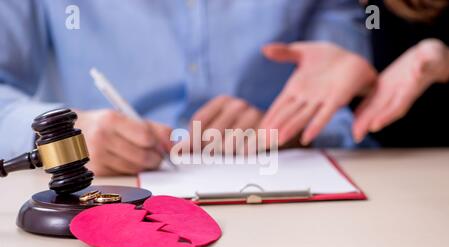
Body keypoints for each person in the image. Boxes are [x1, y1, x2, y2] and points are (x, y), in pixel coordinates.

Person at [0, 0, 370, 175]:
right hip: (106, 196)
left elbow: (351, 108)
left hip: (289, 190)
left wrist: (290, 130)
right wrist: (61, 135)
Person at [261, 0, 449, 148]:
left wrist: (444, 63)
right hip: (394, 158)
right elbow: (389, 79)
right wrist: (362, 80)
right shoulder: (375, 9)